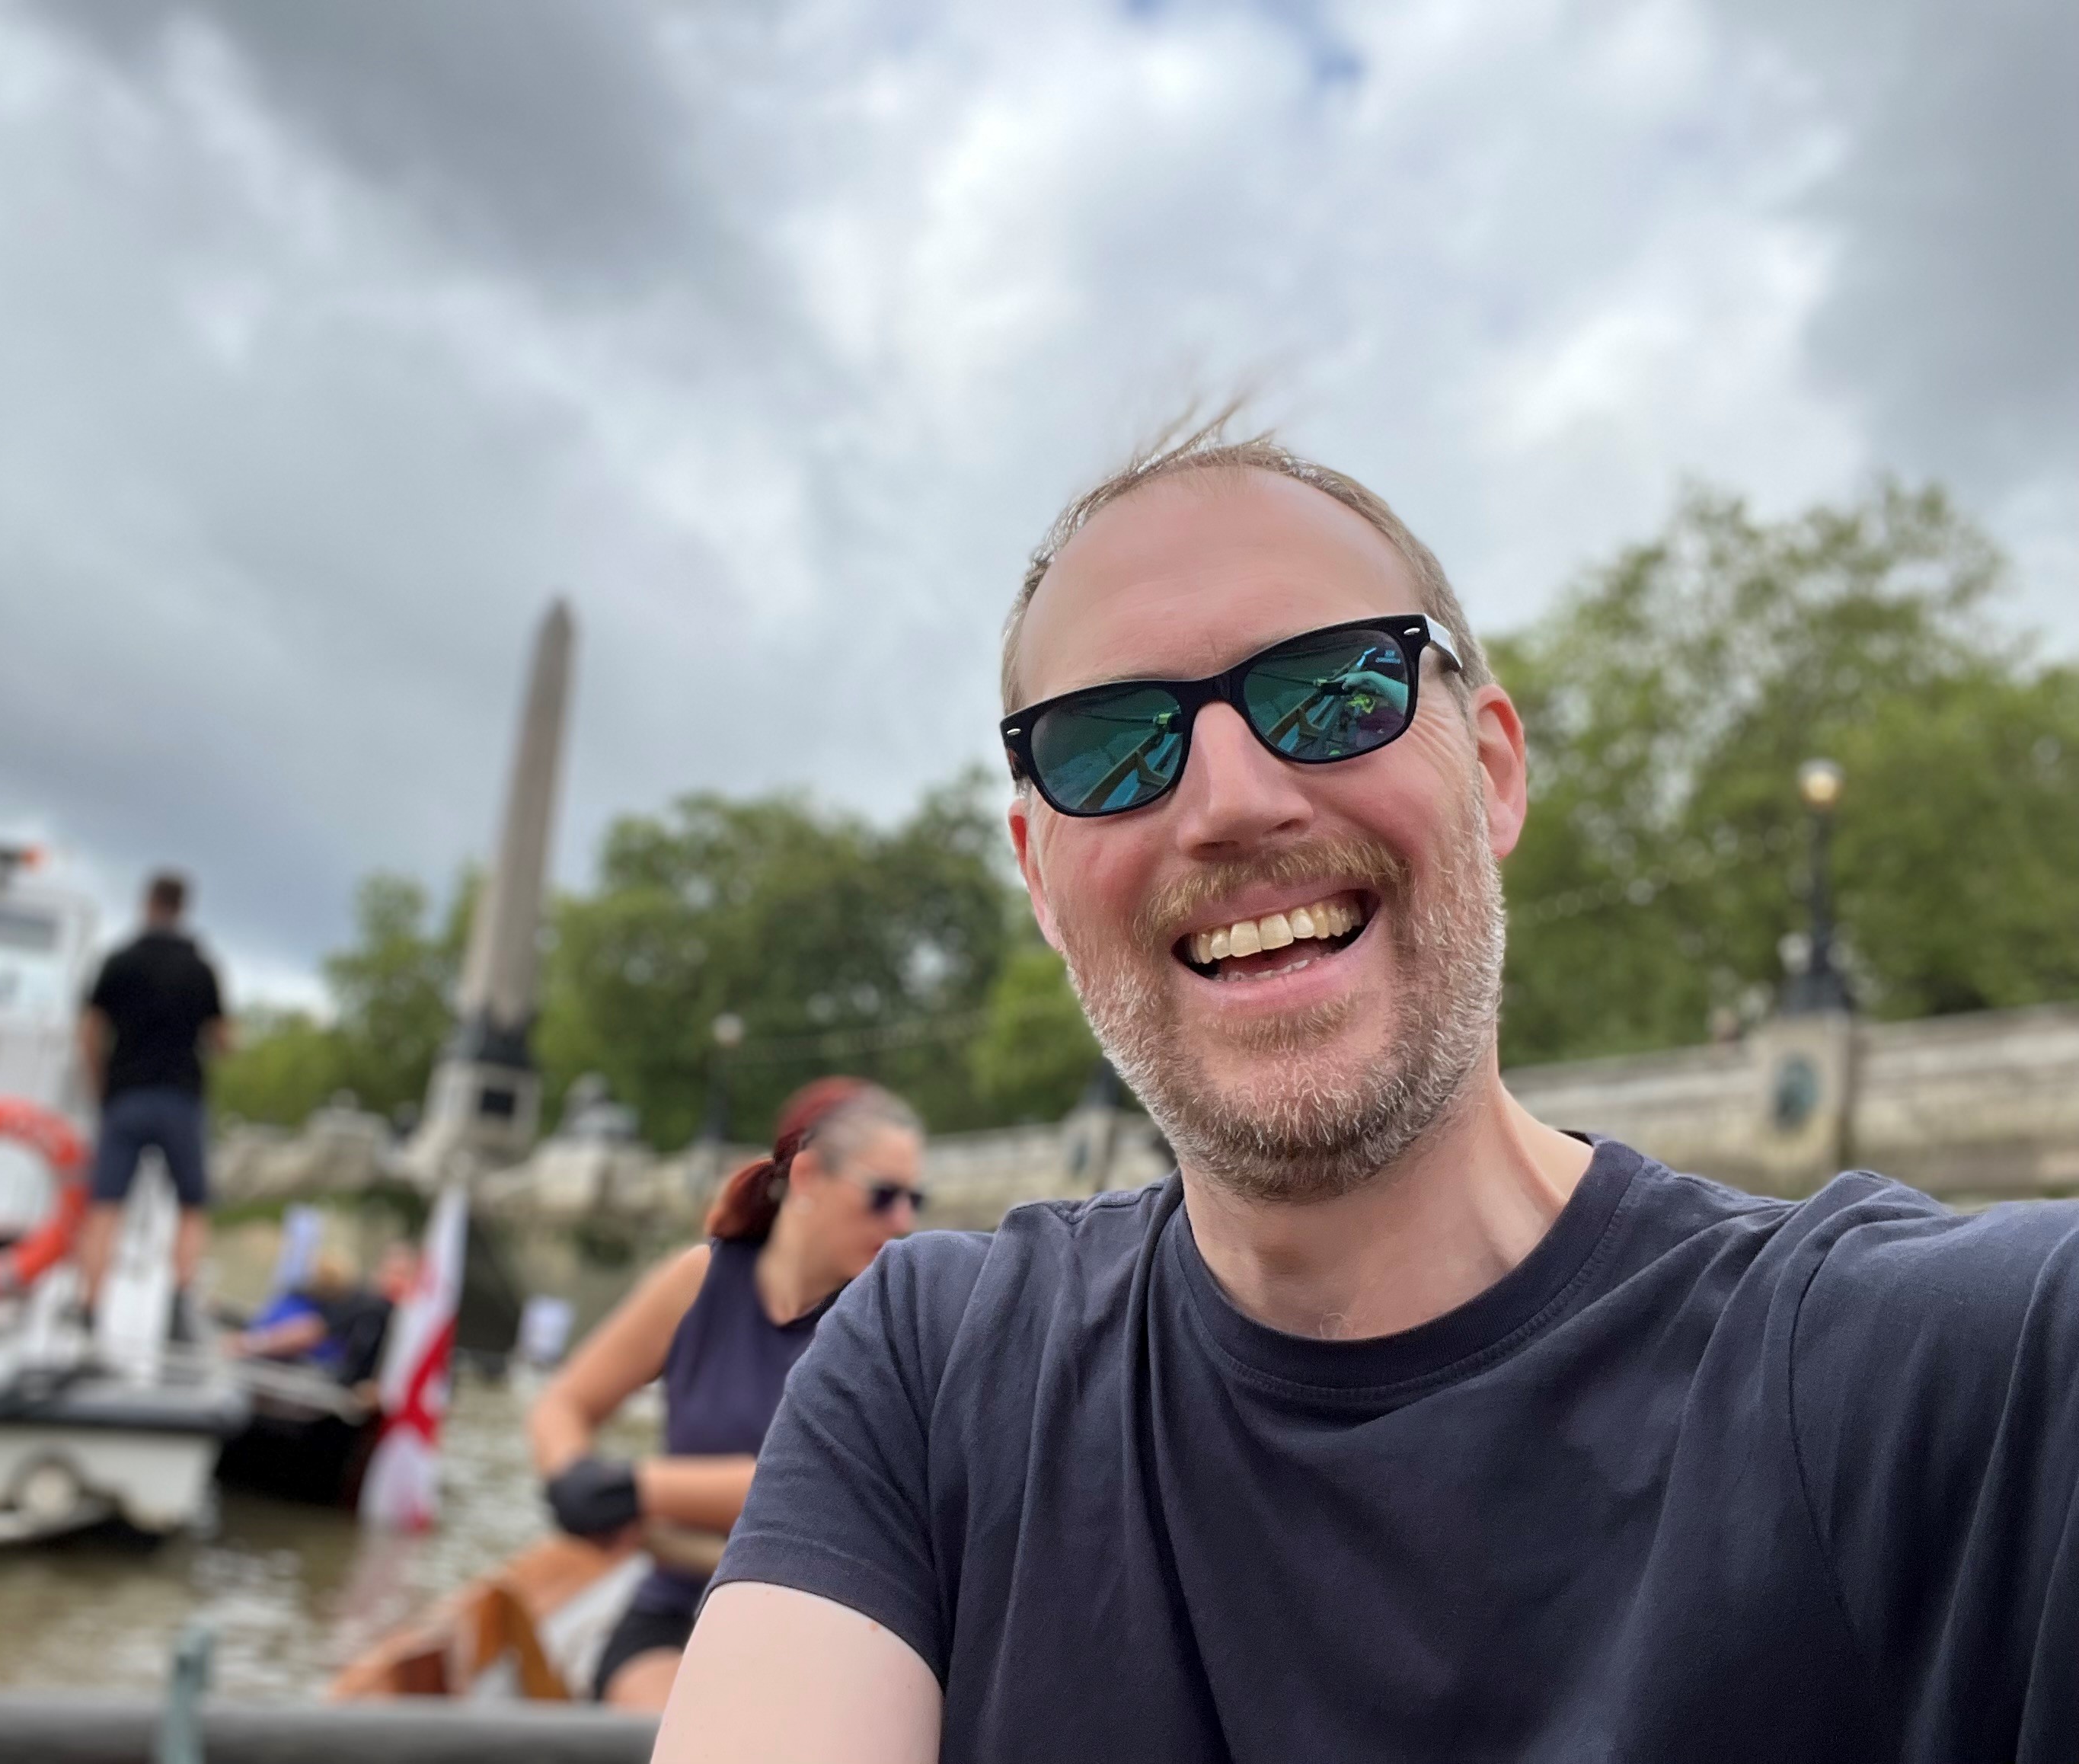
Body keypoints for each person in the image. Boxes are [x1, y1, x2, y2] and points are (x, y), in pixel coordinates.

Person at [655, 423, 2079, 1762]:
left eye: (1331, 692)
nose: (1231, 801)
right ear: (1038, 876)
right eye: (1108, 746)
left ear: (1494, 771)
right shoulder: (930, 1371)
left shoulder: (1945, 1379)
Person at [529, 1077, 924, 1714]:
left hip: (820, 1641)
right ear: (809, 1176)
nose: (903, 1222)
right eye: (884, 1195)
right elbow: (563, 1404)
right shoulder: (700, 1280)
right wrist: (573, 1479)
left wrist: (637, 1488)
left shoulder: (890, 1328)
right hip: (676, 1615)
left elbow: (804, 1485)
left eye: (913, 1199)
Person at [75, 871, 228, 1338]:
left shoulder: (120, 960)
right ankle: (178, 1305)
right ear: (184, 907)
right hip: (181, 1098)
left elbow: (89, 1031)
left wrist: (100, 1087)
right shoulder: (201, 968)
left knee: (105, 1206)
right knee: (192, 1206)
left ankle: (89, 1307)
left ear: (148, 903)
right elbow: (223, 1039)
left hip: (125, 1096)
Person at [228, 1243, 417, 1389]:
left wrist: (250, 1344)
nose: (394, 1281)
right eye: (391, 1273)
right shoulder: (367, 1306)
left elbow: (306, 1334)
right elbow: (308, 1332)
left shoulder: (409, 1322)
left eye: (402, 1275)